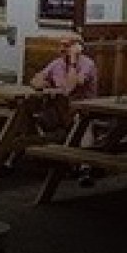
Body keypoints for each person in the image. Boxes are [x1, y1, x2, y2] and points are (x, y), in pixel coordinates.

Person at [29, 32, 100, 185]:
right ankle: (11, 162)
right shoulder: (56, 63)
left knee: (83, 124)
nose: (61, 49)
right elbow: (35, 80)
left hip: (82, 109)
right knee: (29, 118)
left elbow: (70, 87)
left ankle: (84, 168)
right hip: (60, 109)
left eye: (66, 45)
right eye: (60, 45)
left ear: (78, 47)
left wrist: (73, 61)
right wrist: (43, 83)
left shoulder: (87, 64)